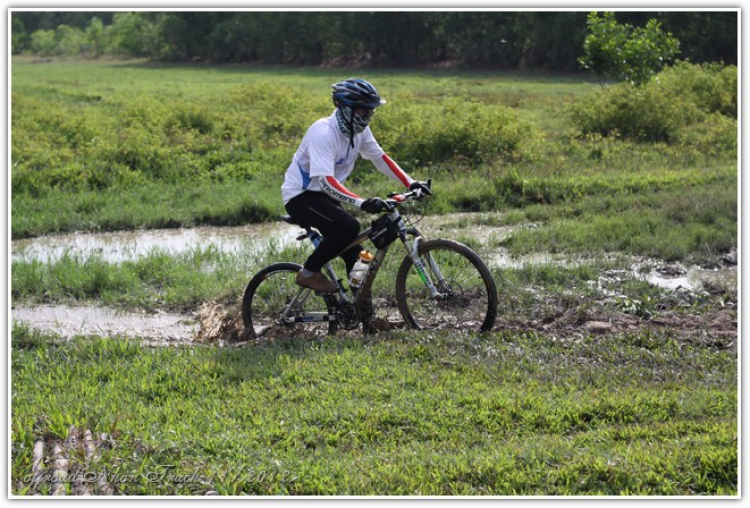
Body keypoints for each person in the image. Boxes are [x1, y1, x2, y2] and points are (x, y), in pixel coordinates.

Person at [281, 78, 431, 293]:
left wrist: (411, 182)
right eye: (363, 112)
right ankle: (308, 273)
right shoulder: (323, 132)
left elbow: (380, 158)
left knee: (361, 259)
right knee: (349, 226)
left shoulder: (358, 131)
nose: (367, 117)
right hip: (301, 197)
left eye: (370, 112)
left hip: (325, 197)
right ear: (345, 109)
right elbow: (326, 180)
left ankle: (364, 317)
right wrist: (362, 203)